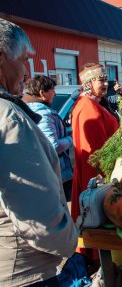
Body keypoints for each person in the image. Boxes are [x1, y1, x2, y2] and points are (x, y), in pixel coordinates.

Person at [0, 18, 78, 286]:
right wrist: (71, 241)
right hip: (23, 270)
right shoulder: (8, 117)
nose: (25, 72)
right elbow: (41, 221)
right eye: (23, 60)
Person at [71, 63, 120, 222]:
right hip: (97, 174)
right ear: (88, 83)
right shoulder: (87, 108)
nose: (106, 84)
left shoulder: (93, 103)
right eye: (100, 80)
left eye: (106, 79)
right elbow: (94, 152)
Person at [23, 75, 74, 201]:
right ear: (42, 93)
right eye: (52, 90)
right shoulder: (44, 114)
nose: (55, 94)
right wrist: (70, 140)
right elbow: (53, 146)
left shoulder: (28, 110)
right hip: (56, 172)